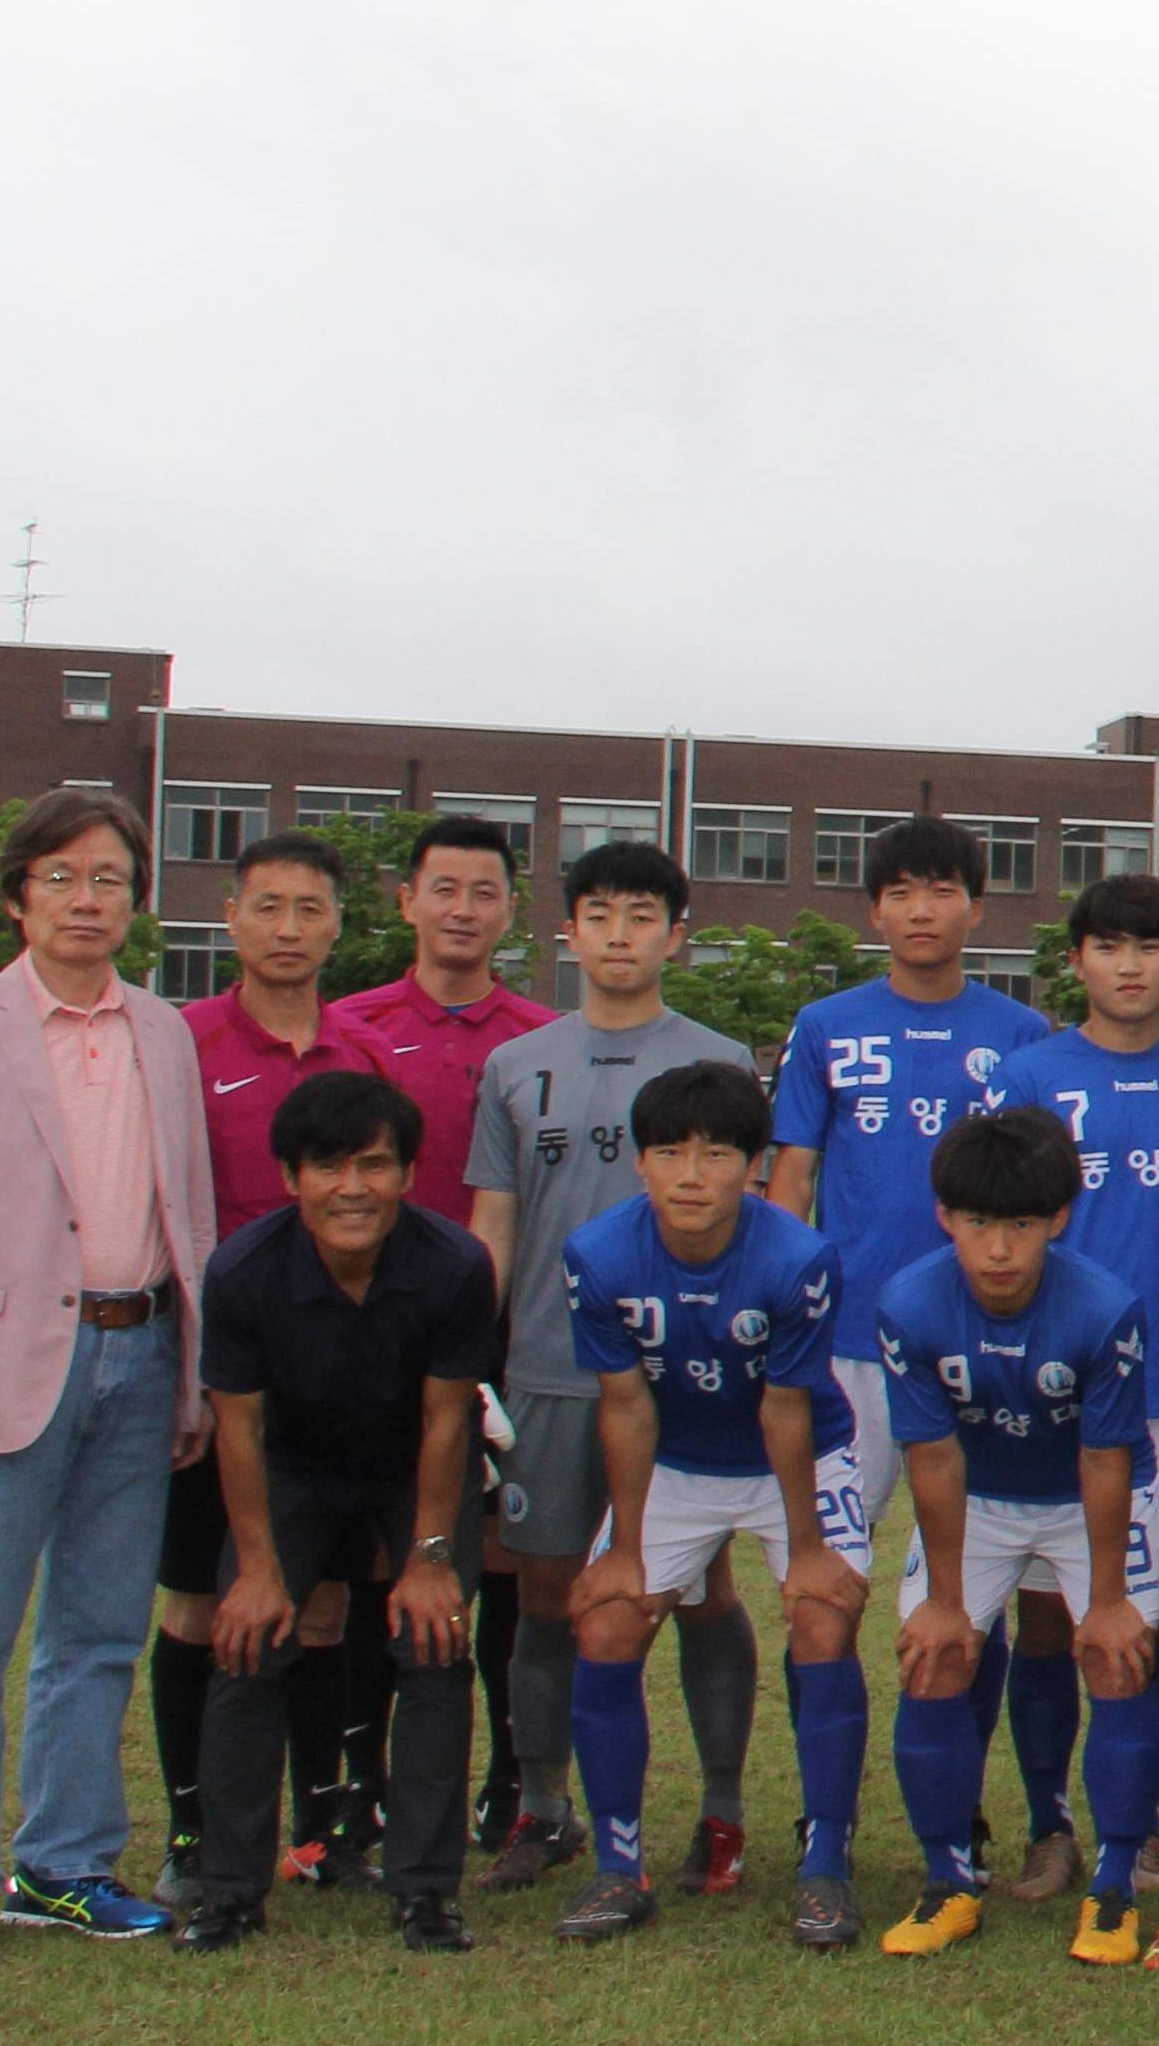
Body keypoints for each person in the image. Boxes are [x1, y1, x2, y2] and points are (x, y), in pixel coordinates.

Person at [0, 790, 211, 1959]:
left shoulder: (161, 1033)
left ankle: (65, 1863)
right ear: (20, 893)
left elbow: (191, 1214)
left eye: (111, 878)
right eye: (64, 876)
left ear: (135, 900)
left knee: (102, 1627)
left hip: (144, 1348)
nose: (88, 898)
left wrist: (193, 1377)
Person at [463, 840, 764, 1903]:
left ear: (676, 934)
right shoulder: (515, 1064)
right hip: (549, 1367)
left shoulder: (722, 1062)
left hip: (687, 1376)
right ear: (568, 932)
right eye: (600, 914)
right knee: (547, 1587)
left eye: (643, 915)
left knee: (695, 1588)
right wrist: (475, 1355)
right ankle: (540, 1806)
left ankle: (720, 1811)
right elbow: (491, 1225)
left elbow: (751, 1222)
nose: (621, 934)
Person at [769, 815, 1055, 1887]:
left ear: (977, 908)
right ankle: (822, 1822)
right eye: (903, 891)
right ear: (875, 907)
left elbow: (1036, 1192)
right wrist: (789, 1309)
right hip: (845, 1347)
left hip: (974, 1352)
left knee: (964, 1582)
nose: (923, 909)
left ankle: (967, 1810)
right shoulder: (825, 1024)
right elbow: (791, 1177)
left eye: (944, 889)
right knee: (828, 1585)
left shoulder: (1021, 1035)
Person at [544, 1061, 874, 1950]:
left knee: (821, 1615)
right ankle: (619, 1869)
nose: (693, 1174)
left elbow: (787, 1405)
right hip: (679, 1458)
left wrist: (807, 1548)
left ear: (754, 1166)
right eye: (670, 1152)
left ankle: (825, 1867)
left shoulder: (798, 1256)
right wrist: (622, 1547)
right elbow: (625, 1403)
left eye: (718, 1153)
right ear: (639, 1163)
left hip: (794, 1459)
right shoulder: (600, 1254)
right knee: (609, 1621)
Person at [173, 1071, 497, 1956]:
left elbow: (446, 1417)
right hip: (294, 1466)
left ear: (406, 1173)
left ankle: (427, 1890)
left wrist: (430, 1561)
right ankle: (229, 1892)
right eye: (328, 1167)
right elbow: (238, 1430)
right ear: (290, 1178)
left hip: (413, 1465)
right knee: (246, 1643)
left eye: (374, 1165)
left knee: (436, 1643)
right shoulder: (241, 1271)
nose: (352, 1188)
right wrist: (260, 1573)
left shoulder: (455, 1264)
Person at [986, 873, 1159, 1910]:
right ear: (1078, 959)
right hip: (1058, 1380)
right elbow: (988, 1226)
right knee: (1053, 1614)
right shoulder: (1029, 1074)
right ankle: (1051, 1822)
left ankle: (1145, 1828)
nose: (1129, 965)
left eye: (1150, 948)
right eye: (1108, 946)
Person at [154, 830, 390, 1893]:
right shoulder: (178, 1044)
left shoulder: (363, 1052)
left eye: (310, 909)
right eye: (268, 908)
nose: (289, 928)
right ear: (232, 920)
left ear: (338, 924)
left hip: (335, 1381)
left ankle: (316, 1823)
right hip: (215, 1370)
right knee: (206, 1607)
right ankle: (195, 1829)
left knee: (327, 1606)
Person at [872, 1106, 1159, 1963]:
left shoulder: (1105, 1308)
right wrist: (947, 1603)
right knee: (934, 1656)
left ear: (1059, 1221)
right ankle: (947, 1881)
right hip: (983, 1494)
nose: (999, 1250)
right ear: (944, 1217)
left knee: (1117, 1656)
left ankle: (1112, 1887)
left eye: (1022, 1226)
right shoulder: (910, 1304)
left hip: (1088, 1497)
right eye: (978, 1224)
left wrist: (1107, 1603)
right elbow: (933, 1458)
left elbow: (1108, 1462)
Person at [333, 814, 557, 1878]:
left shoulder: (540, 1038)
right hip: (371, 1335)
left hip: (508, 1336)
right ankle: (355, 1794)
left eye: (483, 892)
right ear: (405, 901)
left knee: (509, 1560)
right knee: (385, 1554)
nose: (462, 910)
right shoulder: (352, 1027)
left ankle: (512, 1785)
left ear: (510, 910)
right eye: (443, 889)